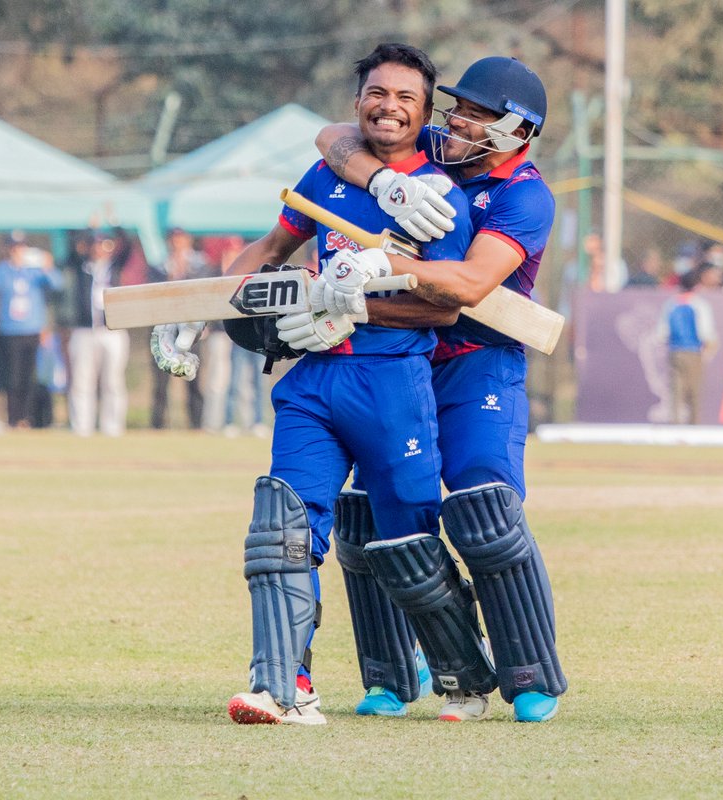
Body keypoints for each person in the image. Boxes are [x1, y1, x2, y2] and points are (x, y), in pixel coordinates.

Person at [153, 43, 476, 726]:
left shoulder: (440, 193)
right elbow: (270, 252)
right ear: (358, 99)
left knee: (408, 541)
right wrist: (204, 307)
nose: (389, 107)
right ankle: (282, 685)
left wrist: (350, 305)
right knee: (283, 527)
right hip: (313, 379)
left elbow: (445, 305)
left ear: (424, 112)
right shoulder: (329, 172)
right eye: (377, 93)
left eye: (406, 98)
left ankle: (462, 675)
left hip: (393, 381)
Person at [313, 55, 568, 722]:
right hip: (402, 357)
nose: (456, 122)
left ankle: (529, 673)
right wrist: (383, 183)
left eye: (477, 116)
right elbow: (330, 137)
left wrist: (383, 261)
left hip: (480, 361)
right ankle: (396, 676)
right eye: (456, 108)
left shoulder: (525, 195)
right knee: (368, 513)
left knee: (484, 509)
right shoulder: (434, 147)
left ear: (517, 132)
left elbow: (467, 286)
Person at [0, 232, 63, 428]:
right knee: (12, 376)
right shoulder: (2, 271)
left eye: (20, 247)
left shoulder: (35, 272)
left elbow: (57, 284)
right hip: (9, 331)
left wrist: (46, 267)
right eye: (13, 247)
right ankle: (11, 417)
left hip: (32, 331)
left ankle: (26, 417)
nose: (17, 251)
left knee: (30, 376)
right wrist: (15, 267)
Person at [64, 230, 131, 436]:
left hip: (112, 330)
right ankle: (82, 426)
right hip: (85, 330)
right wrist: (88, 228)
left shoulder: (114, 266)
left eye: (104, 244)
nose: (99, 249)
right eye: (95, 244)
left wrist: (115, 223)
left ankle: (112, 426)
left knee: (113, 380)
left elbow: (128, 246)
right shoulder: (82, 266)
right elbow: (70, 248)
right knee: (82, 380)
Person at [149, 227, 210, 429]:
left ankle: (196, 423)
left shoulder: (200, 265)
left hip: (190, 327)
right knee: (161, 380)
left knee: (194, 376)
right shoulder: (160, 266)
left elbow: (203, 293)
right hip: (166, 327)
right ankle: (158, 423)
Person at [657, 267, 717, 424]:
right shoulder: (699, 305)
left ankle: (675, 423)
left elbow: (662, 333)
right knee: (694, 392)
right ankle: (693, 426)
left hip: (675, 351)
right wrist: (709, 349)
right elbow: (706, 332)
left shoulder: (671, 304)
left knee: (676, 390)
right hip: (693, 352)